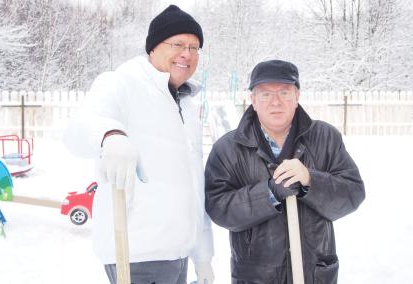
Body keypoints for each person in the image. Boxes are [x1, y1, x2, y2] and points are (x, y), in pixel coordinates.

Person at [64, 5, 214, 284]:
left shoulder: (186, 105)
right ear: (153, 48)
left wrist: (202, 255)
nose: (187, 54)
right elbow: (76, 129)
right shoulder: (122, 84)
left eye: (194, 48)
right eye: (178, 44)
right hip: (136, 255)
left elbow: (194, 187)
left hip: (177, 255)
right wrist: (110, 135)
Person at [204, 59, 365, 283]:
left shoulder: (325, 138)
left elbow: (352, 193)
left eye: (284, 92)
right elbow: (218, 207)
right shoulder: (229, 148)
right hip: (257, 276)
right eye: (266, 94)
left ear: (297, 97)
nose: (275, 102)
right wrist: (269, 193)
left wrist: (311, 180)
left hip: (315, 274)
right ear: (253, 100)